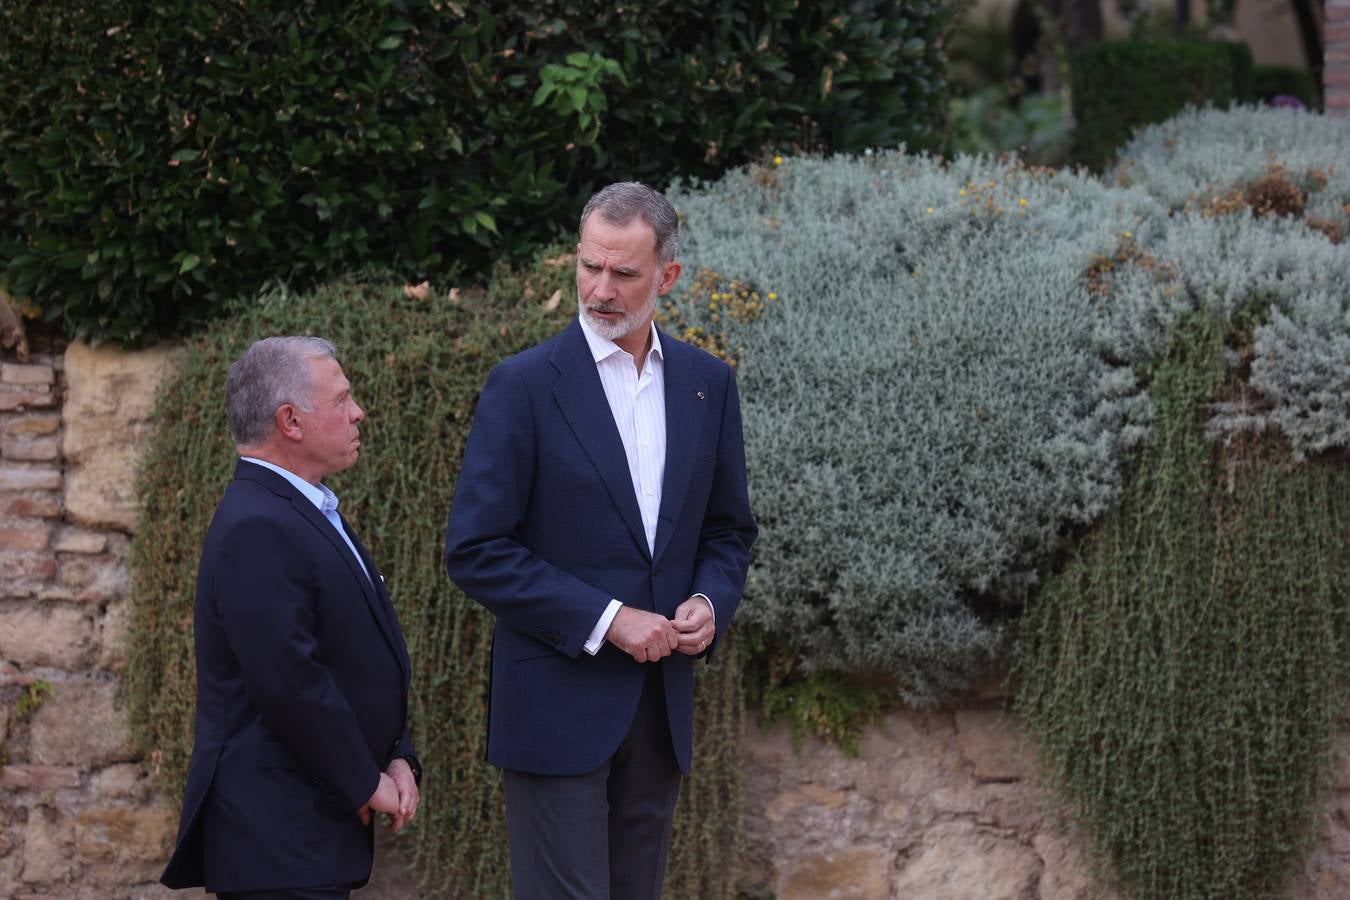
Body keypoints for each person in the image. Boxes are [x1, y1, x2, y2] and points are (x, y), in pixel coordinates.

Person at [444, 182, 757, 898]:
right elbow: (476, 549)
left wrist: (712, 599)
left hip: (659, 711)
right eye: (590, 267)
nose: (601, 290)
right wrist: (609, 620)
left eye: (624, 273)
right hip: (555, 709)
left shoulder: (709, 385)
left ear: (667, 277)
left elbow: (728, 529)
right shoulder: (521, 386)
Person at [161, 336, 422, 900]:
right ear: (291, 421)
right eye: (343, 399)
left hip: (304, 834)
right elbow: (289, 680)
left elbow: (355, 654)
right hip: (276, 838)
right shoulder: (258, 525)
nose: (359, 413)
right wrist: (362, 779)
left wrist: (399, 755)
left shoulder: (302, 508)